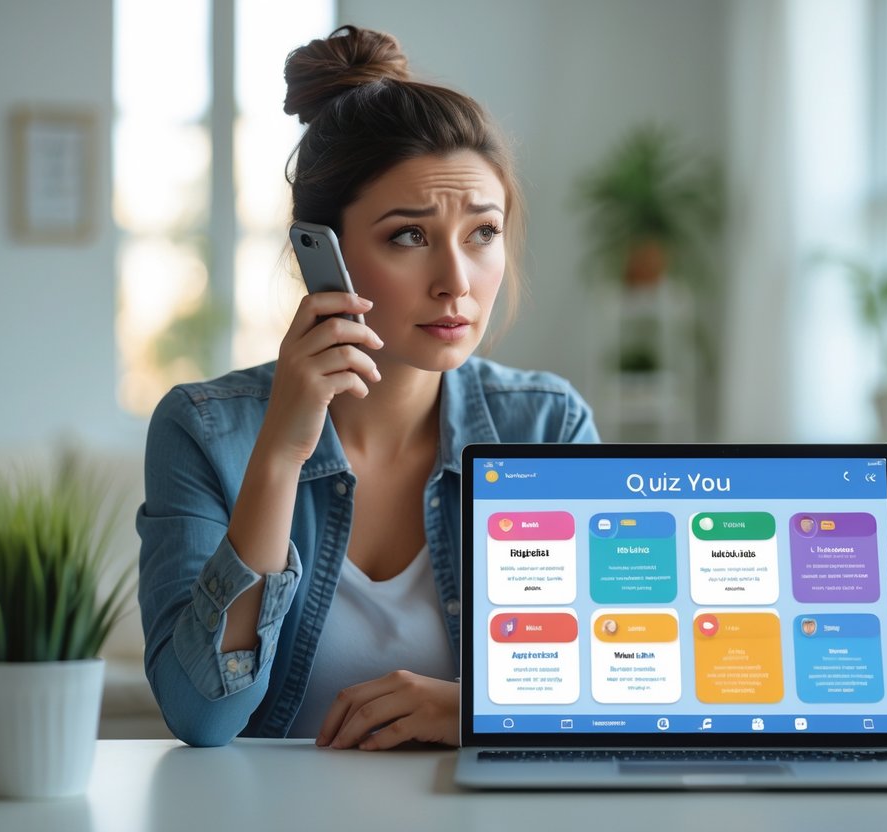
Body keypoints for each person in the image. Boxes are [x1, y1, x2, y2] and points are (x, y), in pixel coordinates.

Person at [137, 25, 599, 750]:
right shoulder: (202, 431)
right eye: (408, 237)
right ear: (319, 254)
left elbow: (605, 684)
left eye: (482, 233)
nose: (456, 281)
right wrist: (282, 452)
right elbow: (203, 716)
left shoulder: (544, 426)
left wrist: (466, 709)